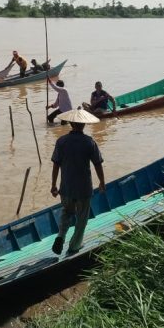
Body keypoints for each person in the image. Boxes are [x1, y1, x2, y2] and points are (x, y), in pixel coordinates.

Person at [50, 107, 105, 255]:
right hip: (83, 188)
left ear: (71, 124)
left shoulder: (61, 141)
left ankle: (61, 236)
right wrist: (102, 182)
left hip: (66, 186)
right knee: (82, 218)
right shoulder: (89, 142)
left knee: (67, 212)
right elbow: (98, 164)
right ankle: (74, 245)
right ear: (84, 124)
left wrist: (54, 185)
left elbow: (56, 164)